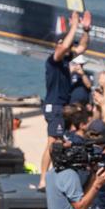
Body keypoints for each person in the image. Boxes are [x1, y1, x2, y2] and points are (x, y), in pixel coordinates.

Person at [38, 10, 91, 188]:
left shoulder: (66, 63)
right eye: (65, 45)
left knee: (60, 143)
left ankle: (54, 175)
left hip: (63, 108)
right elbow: (62, 48)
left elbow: (82, 48)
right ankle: (43, 179)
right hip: (54, 107)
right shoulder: (52, 61)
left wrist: (86, 30)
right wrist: (73, 26)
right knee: (53, 143)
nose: (68, 48)